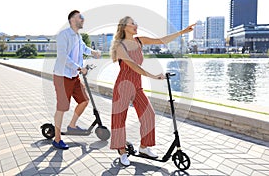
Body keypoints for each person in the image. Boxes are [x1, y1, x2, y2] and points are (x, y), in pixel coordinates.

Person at [109, 16, 195, 166]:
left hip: (137, 85)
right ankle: (122, 152)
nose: (136, 25)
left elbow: (162, 40)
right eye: (132, 23)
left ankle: (144, 147)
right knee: (119, 119)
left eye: (136, 22)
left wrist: (183, 32)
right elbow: (133, 66)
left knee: (149, 114)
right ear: (124, 27)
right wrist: (153, 76)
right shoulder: (119, 46)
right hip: (123, 86)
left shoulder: (139, 41)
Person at [52, 10, 101, 149]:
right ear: (73, 19)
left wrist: (93, 52)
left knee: (84, 100)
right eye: (81, 17)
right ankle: (57, 139)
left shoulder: (78, 36)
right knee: (62, 108)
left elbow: (83, 48)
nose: (83, 20)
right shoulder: (64, 35)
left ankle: (72, 125)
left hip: (74, 76)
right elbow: (62, 56)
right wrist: (79, 68)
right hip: (62, 76)